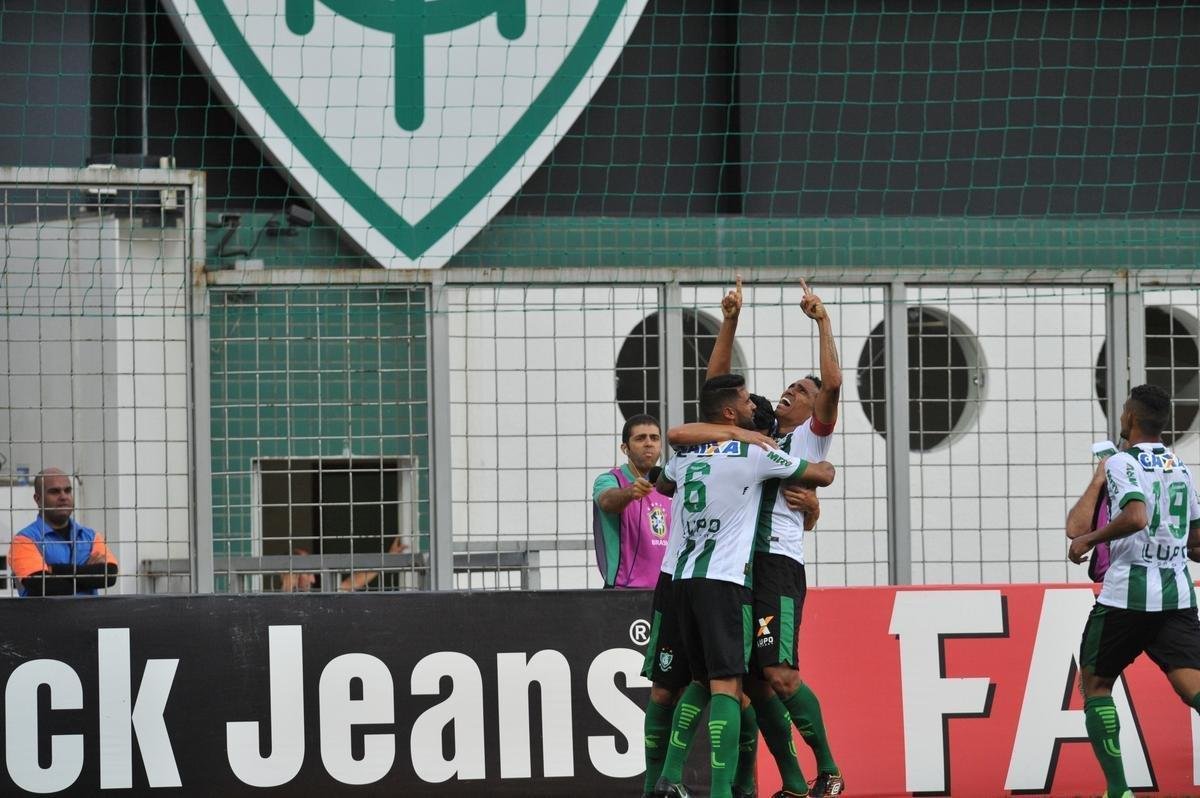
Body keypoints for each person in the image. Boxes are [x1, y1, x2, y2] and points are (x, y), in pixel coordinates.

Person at [670, 276, 846, 797]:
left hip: (776, 565)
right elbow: (717, 392)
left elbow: (834, 385)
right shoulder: (756, 438)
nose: (791, 391)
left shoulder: (810, 440)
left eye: (802, 391)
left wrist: (823, 321)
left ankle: (829, 770)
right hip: (736, 569)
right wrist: (729, 321)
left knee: (780, 675)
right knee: (749, 681)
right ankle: (785, 782)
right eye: (790, 387)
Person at [1068, 384, 1200, 798]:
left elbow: (1136, 516)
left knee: (1095, 684)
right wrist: (1173, 544)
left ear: (1131, 417)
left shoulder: (1123, 463)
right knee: (1193, 688)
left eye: (1124, 410)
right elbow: (1196, 541)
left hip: (1126, 598)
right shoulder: (1181, 467)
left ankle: (1118, 790)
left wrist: (1089, 540)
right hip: (1177, 597)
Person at [9, 468, 118, 596]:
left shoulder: (91, 536)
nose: (63, 497)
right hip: (44, 611)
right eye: (54, 492)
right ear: (38, 499)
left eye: (67, 490)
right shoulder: (23, 540)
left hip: (88, 610)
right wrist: (89, 574)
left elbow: (110, 576)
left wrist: (54, 570)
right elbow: (41, 586)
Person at [592, 414, 672, 589]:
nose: (649, 443)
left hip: (668, 590)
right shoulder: (610, 480)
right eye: (640, 438)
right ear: (625, 448)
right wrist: (630, 492)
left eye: (654, 438)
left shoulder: (671, 484)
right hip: (623, 589)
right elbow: (607, 501)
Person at [279, 535, 408, 592]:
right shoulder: (274, 602)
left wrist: (387, 558)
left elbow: (352, 583)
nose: (313, 580)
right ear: (292, 574)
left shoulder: (319, 597)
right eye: (307, 574)